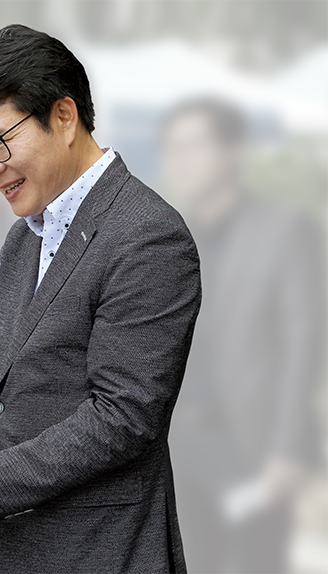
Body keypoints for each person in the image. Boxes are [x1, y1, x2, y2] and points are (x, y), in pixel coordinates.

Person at [0, 24, 202, 572]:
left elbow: (122, 417)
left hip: (102, 547)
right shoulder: (26, 233)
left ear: (64, 117)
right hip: (18, 542)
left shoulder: (146, 234)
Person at [162, 98, 327, 573]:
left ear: (232, 151)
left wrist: (288, 446)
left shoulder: (285, 230)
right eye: (172, 148)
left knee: (258, 564)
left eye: (194, 145)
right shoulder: (168, 237)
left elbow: (303, 344)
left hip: (250, 445)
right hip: (177, 443)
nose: (181, 158)